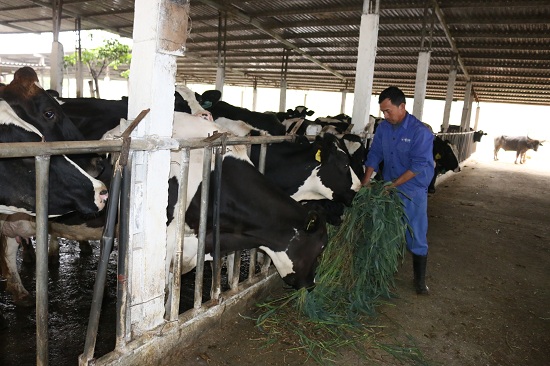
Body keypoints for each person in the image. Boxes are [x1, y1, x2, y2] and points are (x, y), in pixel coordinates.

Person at [361, 86, 434, 295]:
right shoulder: (383, 128)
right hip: (388, 186)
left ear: (402, 106)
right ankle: (382, 272)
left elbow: (418, 166)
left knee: (415, 234)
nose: (385, 115)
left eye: (388, 111)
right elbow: (374, 154)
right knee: (386, 230)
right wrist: (366, 182)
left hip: (412, 190)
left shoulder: (420, 132)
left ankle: (419, 281)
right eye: (382, 111)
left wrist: (392, 186)